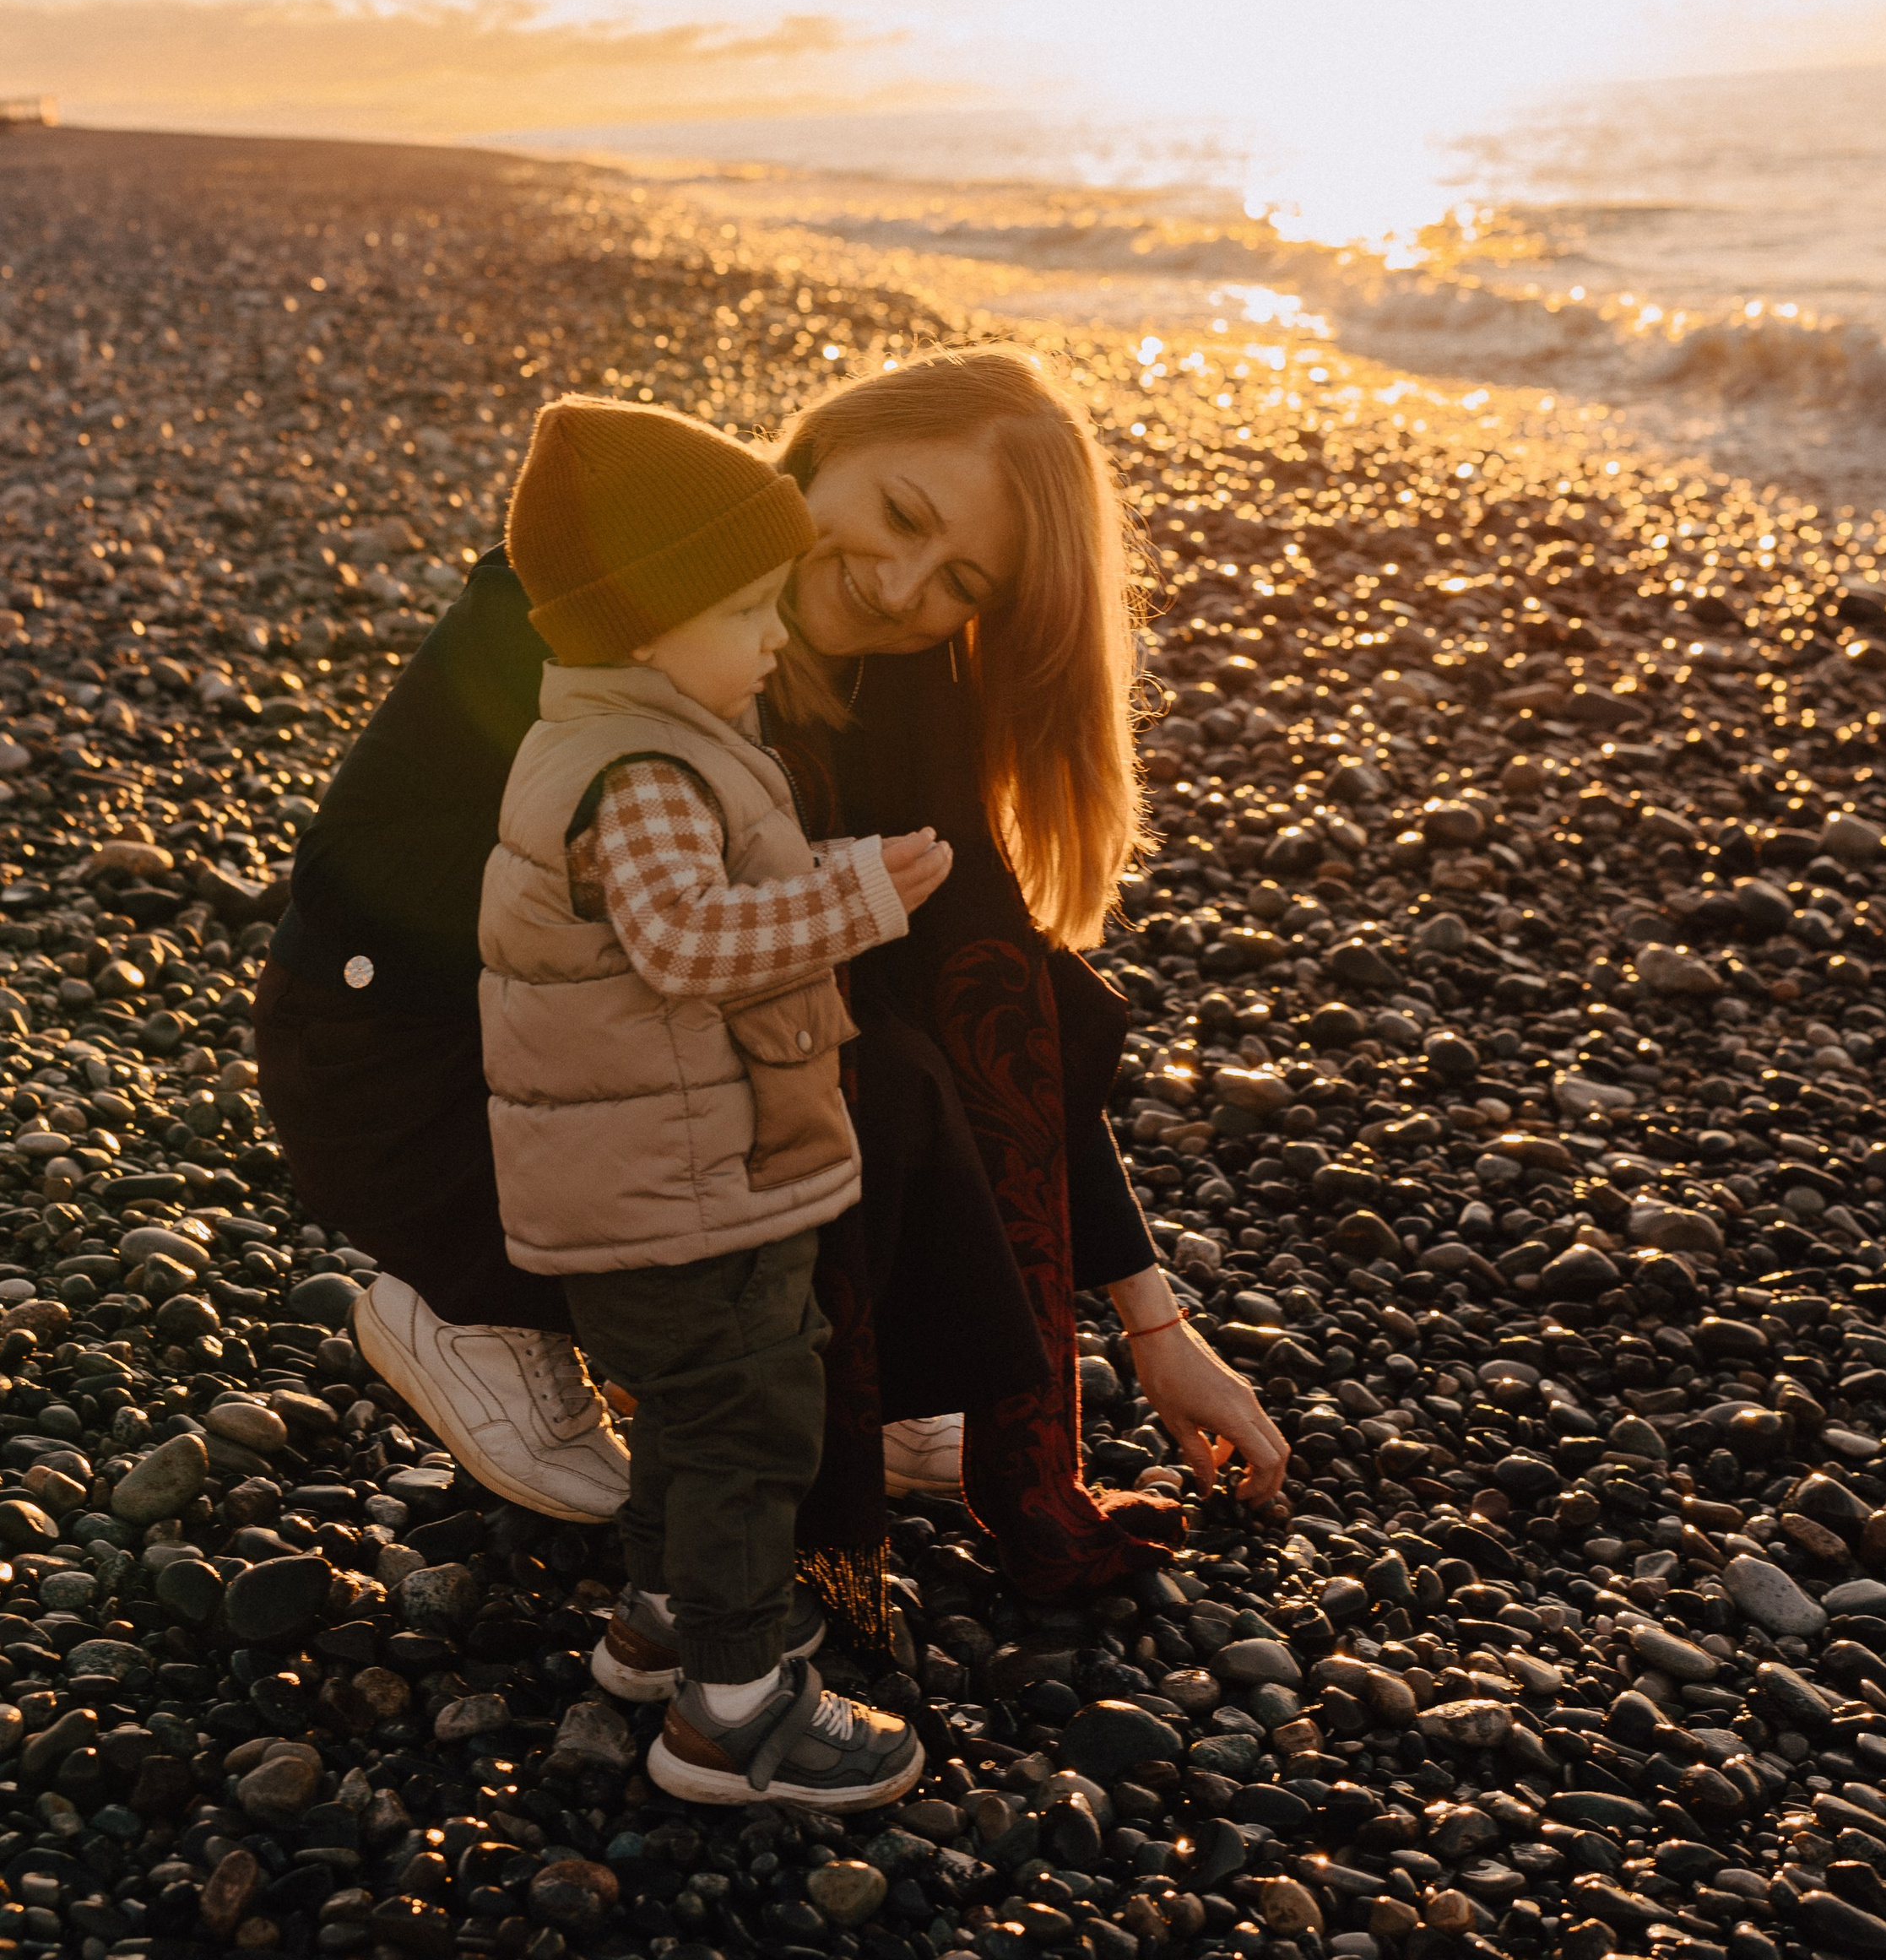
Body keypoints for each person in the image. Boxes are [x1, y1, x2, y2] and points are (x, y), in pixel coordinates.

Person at [255, 344, 1287, 1607]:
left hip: (638, 1067)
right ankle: (474, 1305)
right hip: (412, 1066)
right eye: (902, 514)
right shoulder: (620, 579)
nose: (901, 585)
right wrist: (669, 918)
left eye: (960, 582)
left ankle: (888, 1354)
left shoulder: (901, 679)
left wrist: (1153, 1324)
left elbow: (999, 1009)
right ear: (827, 444)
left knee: (908, 1030)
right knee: (829, 1039)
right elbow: (358, 874)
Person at [484, 393, 941, 1806]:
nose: (779, 636)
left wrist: (830, 873)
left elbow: (704, 905)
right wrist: (856, 899)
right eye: (748, 612)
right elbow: (687, 941)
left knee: (688, 1415)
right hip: (686, 1188)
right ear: (640, 625)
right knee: (747, 1420)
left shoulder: (630, 738)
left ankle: (663, 1620)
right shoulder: (645, 769)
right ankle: (732, 1713)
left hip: (654, 1175)